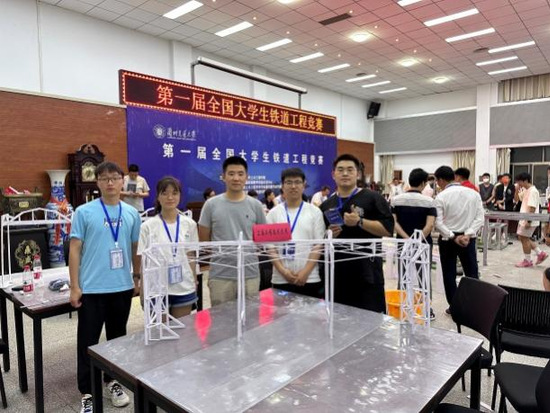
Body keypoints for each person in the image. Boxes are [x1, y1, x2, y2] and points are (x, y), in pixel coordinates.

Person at [69, 161, 141, 413]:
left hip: (121, 287)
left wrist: (137, 277)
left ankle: (113, 382)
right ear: (97, 182)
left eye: (114, 178)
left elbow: (135, 248)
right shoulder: (84, 212)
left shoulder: (131, 213)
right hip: (91, 289)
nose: (110, 182)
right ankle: (87, 392)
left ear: (123, 181)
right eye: (104, 178)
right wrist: (74, 286)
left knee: (117, 340)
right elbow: (75, 249)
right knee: (87, 343)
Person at [320, 154, 394, 312]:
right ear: (333, 174)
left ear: (358, 174)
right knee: (338, 317)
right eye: (340, 170)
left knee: (370, 318)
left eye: (350, 169)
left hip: (367, 272)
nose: (345, 173)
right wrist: (329, 234)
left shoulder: (373, 198)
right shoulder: (326, 205)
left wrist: (360, 222)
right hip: (337, 273)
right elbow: (321, 238)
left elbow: (388, 229)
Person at [198, 156, 266, 306]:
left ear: (246, 177)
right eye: (231, 173)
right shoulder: (211, 205)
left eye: (240, 174)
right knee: (221, 318)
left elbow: (261, 241)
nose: (236, 178)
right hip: (220, 275)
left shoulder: (256, 205)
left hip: (250, 273)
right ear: (223, 176)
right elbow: (204, 240)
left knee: (250, 317)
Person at [137, 176, 198, 317]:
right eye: (165, 193)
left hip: (184, 286)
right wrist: (143, 290)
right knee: (160, 330)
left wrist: (194, 280)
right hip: (156, 289)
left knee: (182, 328)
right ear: (158, 197)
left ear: (180, 196)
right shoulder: (147, 226)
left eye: (174, 193)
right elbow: (144, 262)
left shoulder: (190, 224)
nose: (170, 197)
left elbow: (191, 256)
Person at [267, 168, 325, 298]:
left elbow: (318, 245)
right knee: (280, 311)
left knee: (310, 312)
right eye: (289, 182)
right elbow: (270, 248)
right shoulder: (273, 214)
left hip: (309, 277)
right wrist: (283, 272)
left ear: (304, 185)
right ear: (282, 186)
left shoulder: (315, 212)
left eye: (297, 182)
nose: (293, 186)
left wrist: (305, 272)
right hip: (280, 278)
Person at [434, 166, 484, 313]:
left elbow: (438, 223)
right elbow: (479, 218)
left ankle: (455, 307)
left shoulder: (441, 197)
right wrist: (467, 234)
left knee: (449, 274)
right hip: (468, 239)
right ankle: (473, 306)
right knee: (472, 273)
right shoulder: (474, 194)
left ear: (441, 180)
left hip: (448, 240)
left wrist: (453, 237)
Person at [391, 168, 436, 320]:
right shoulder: (429, 201)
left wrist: (407, 239)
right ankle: (427, 309)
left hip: (402, 244)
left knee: (403, 275)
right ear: (423, 183)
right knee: (424, 276)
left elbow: (394, 223)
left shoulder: (396, 200)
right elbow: (430, 225)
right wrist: (417, 240)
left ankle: (402, 306)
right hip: (423, 244)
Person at [515, 172, 547, 267]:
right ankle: (540, 253)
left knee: (524, 238)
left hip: (529, 219)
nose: (518, 184)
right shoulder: (526, 190)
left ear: (525, 180)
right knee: (523, 237)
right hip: (524, 218)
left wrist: (528, 221)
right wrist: (516, 190)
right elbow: (517, 199)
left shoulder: (533, 191)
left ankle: (528, 260)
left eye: (519, 182)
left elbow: (532, 207)